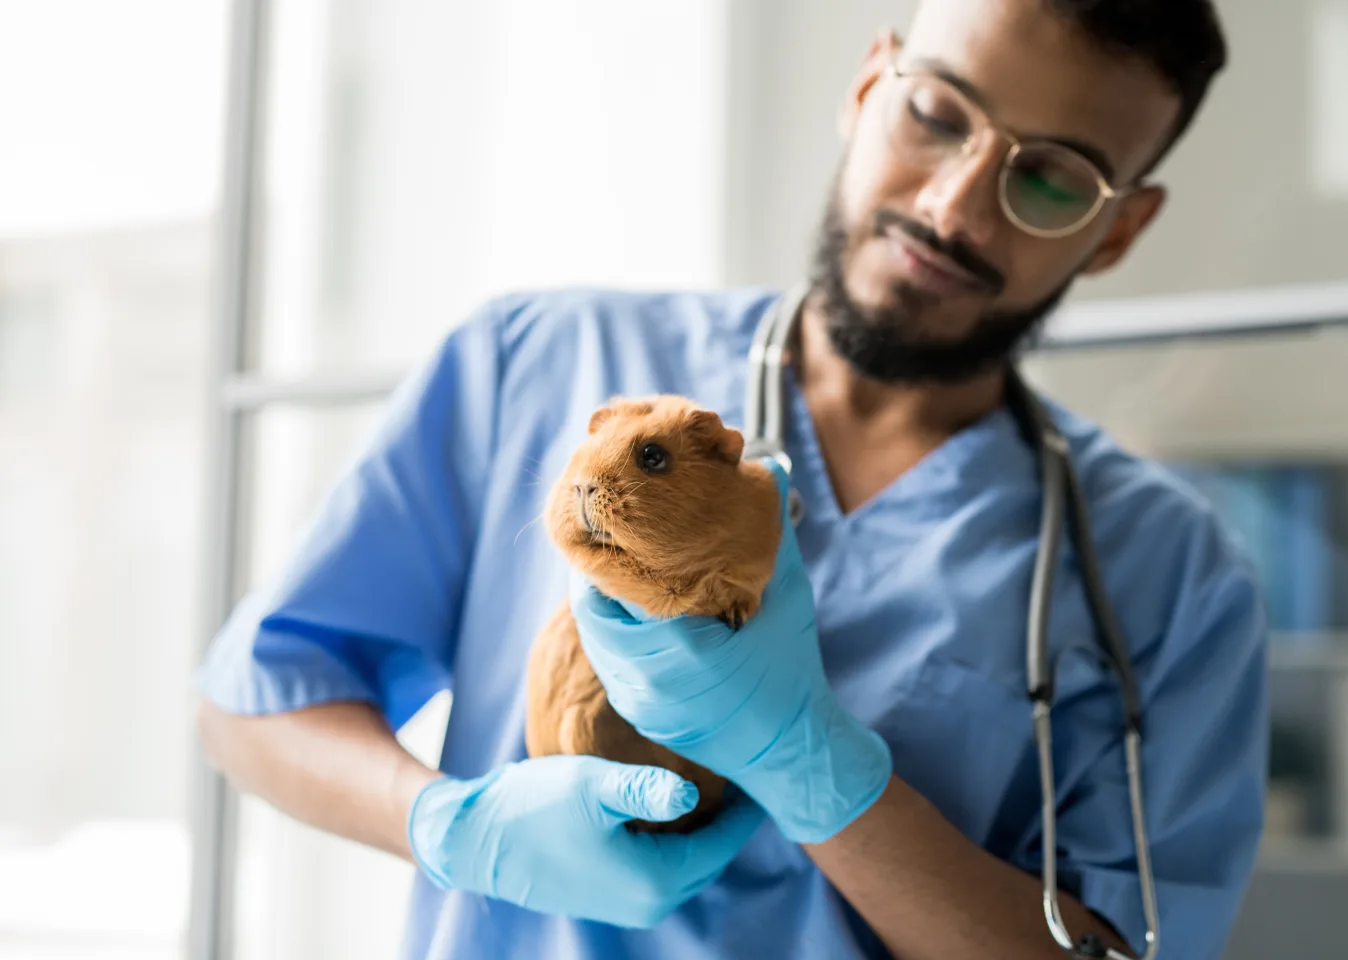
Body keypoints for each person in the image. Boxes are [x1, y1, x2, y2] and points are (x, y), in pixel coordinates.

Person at [193, 0, 1270, 957]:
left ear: (1119, 227)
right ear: (867, 87)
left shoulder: (1167, 575)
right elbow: (254, 704)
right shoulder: (537, 360)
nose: (953, 208)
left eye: (1048, 177)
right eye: (938, 113)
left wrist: (815, 770)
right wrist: (450, 828)